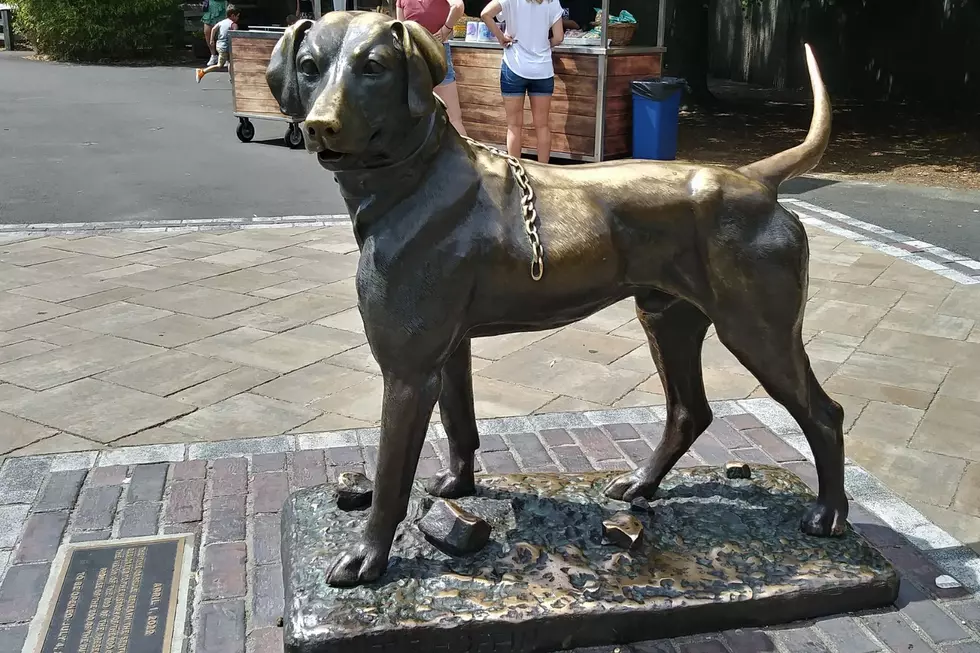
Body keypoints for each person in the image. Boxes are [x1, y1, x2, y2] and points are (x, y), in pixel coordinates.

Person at [482, 0, 564, 163]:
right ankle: (544, 172)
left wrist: (501, 37)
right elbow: (559, 37)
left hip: (514, 66)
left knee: (514, 126)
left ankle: (515, 172)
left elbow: (485, 14)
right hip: (542, 69)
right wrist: (546, 45)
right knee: (542, 126)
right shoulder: (552, 1)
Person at [395, 0, 468, 137]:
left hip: (412, 54)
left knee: (413, 116)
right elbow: (458, 6)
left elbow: (400, 31)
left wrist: (445, 30)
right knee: (453, 117)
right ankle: (466, 157)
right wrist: (445, 30)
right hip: (434, 50)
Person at [196, 5, 240, 83]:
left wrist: (212, 39)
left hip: (219, 45)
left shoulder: (222, 22)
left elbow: (213, 29)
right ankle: (202, 72)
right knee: (220, 65)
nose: (238, 18)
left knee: (230, 61)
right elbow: (235, 36)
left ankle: (232, 79)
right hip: (225, 47)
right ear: (233, 15)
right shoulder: (233, 25)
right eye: (237, 16)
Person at [202, 0, 229, 67]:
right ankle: (213, 55)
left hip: (222, 5)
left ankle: (225, 57)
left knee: (223, 34)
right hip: (211, 5)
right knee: (207, 32)